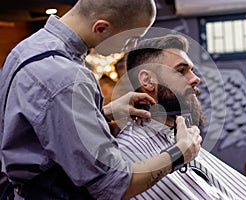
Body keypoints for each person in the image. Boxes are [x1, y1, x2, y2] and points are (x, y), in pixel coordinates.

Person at [0, 1, 202, 199]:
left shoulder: (28, 49)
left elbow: (37, 124)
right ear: (102, 27)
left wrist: (102, 112)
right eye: (131, 38)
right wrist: (179, 153)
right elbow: (112, 185)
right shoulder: (67, 79)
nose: (130, 46)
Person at [116, 34, 246, 199]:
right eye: (181, 71)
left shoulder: (181, 137)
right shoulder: (128, 152)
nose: (196, 79)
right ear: (147, 80)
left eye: (192, 71)